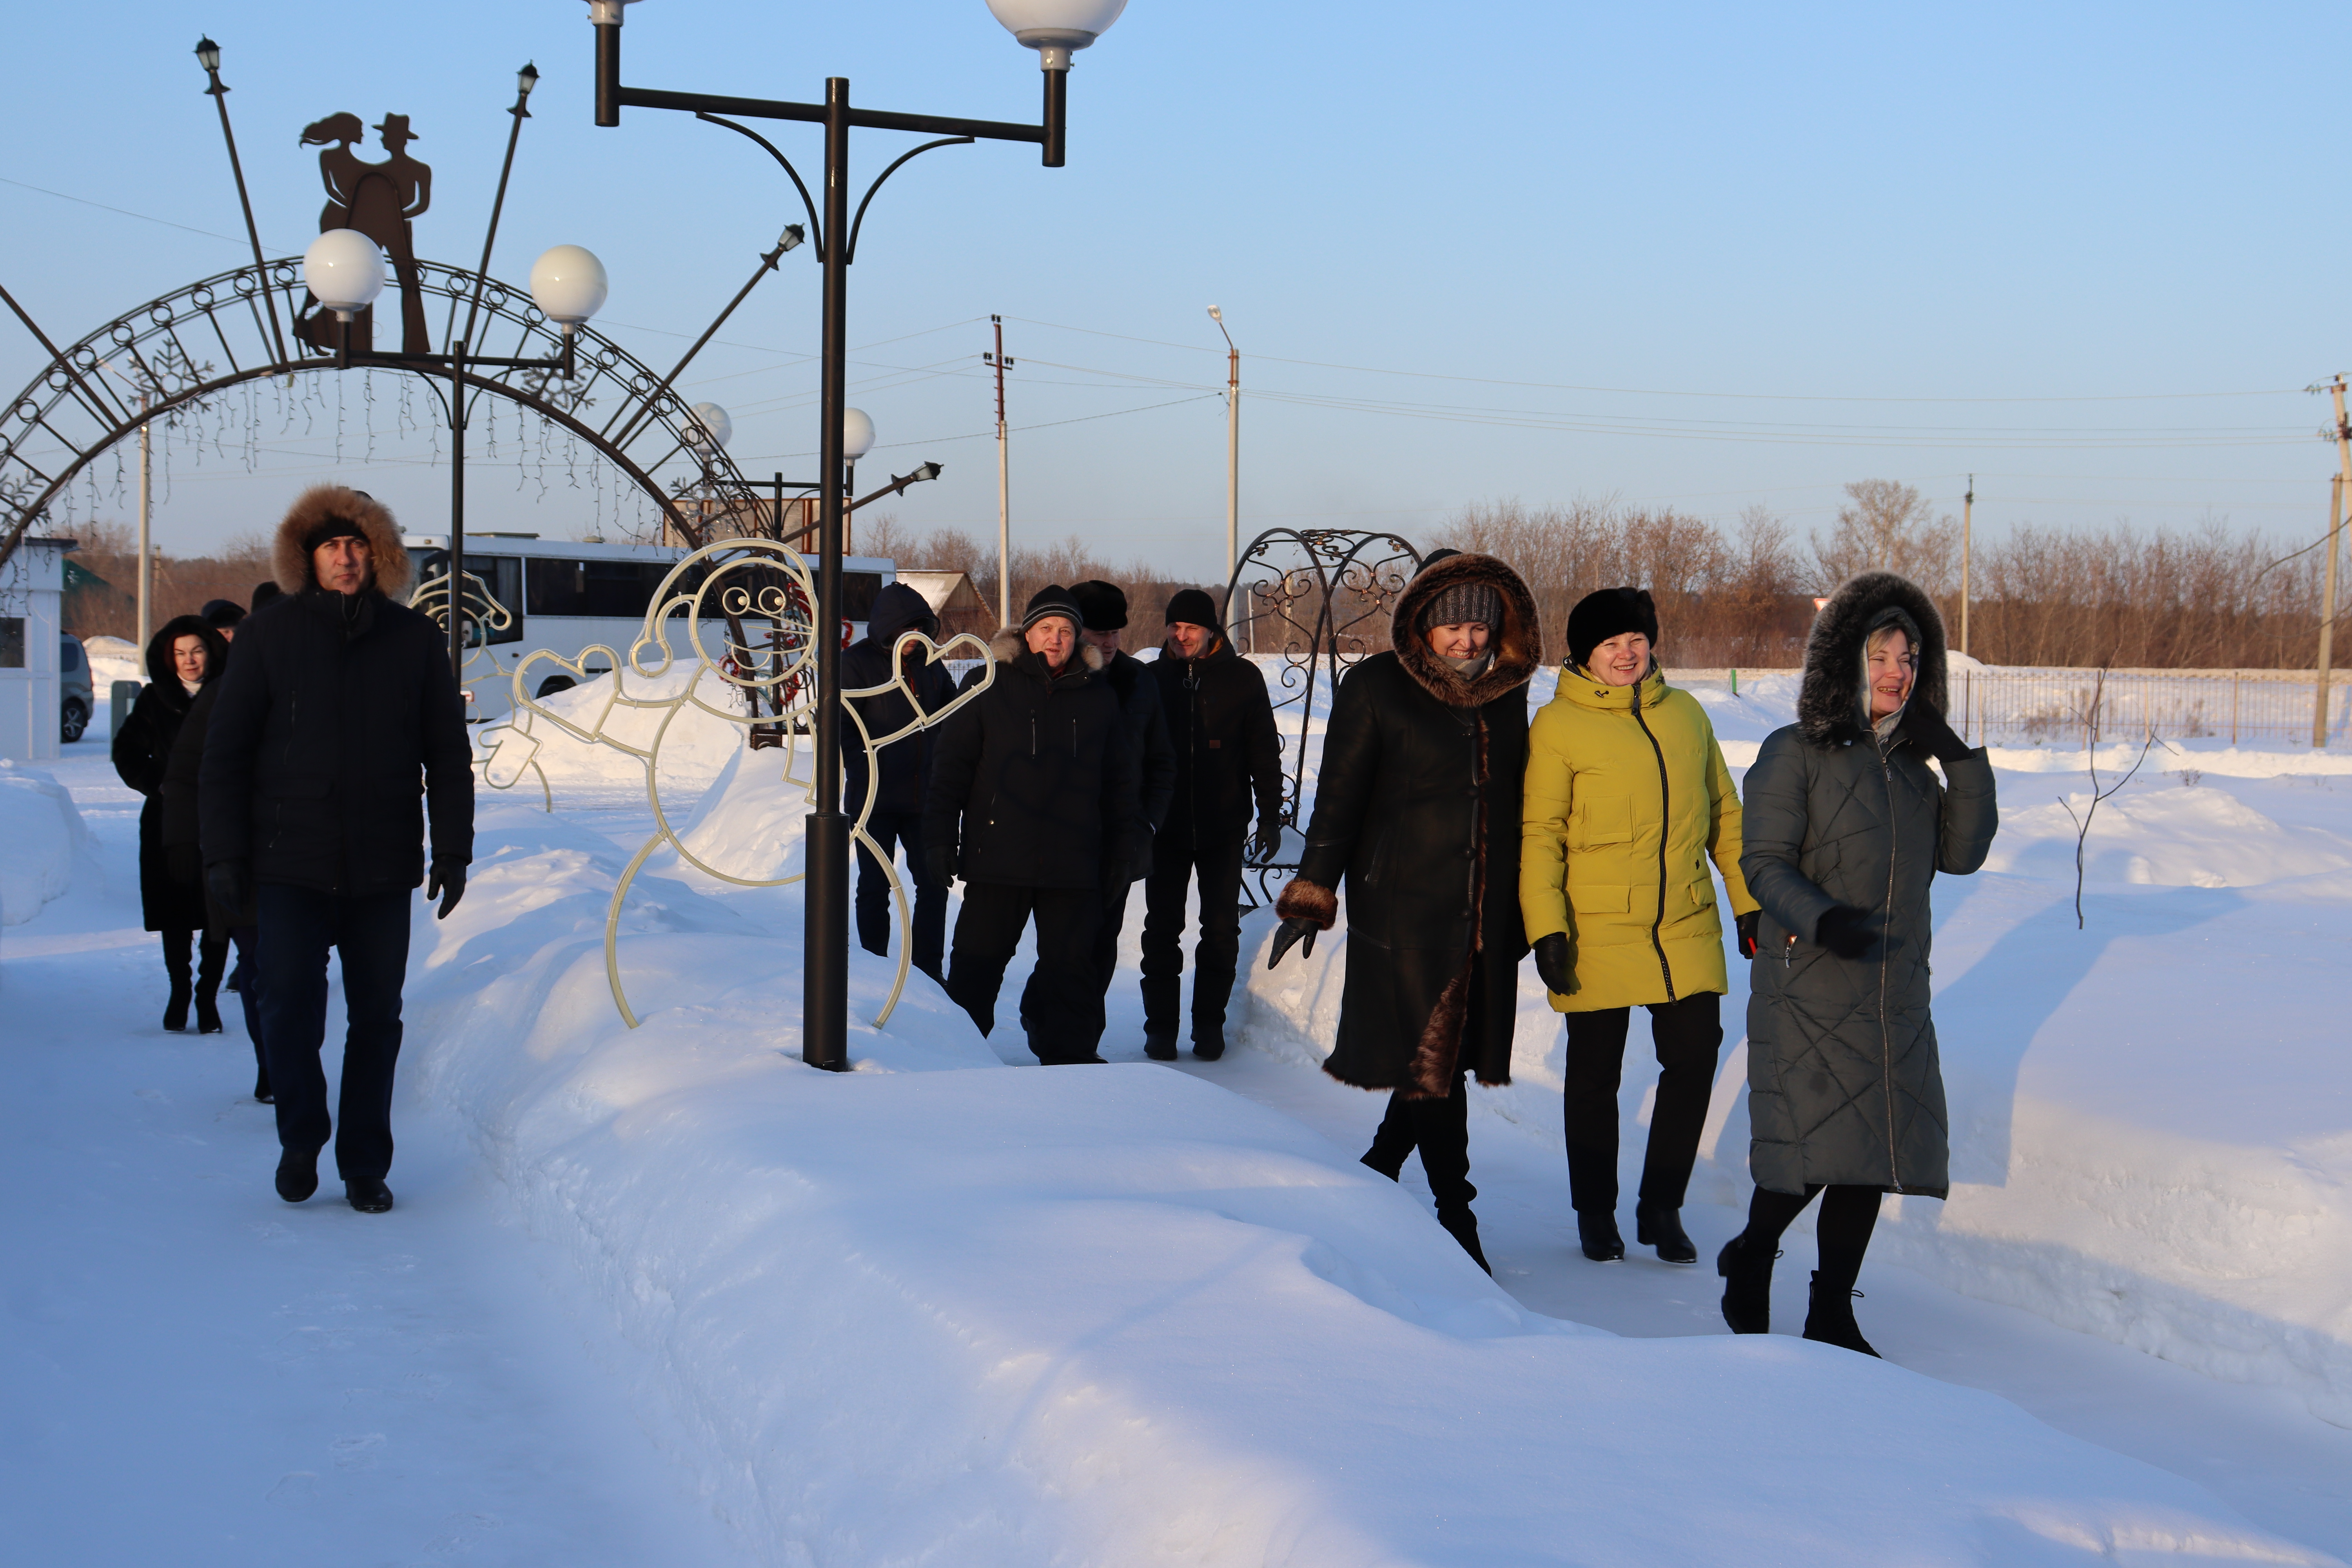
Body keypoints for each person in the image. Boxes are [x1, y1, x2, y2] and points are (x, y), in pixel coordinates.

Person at [1719, 570, 1997, 1354]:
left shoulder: (1913, 768)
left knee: (1869, 1155)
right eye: (1881, 655)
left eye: (1910, 659)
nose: (1897, 672)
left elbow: (1964, 856)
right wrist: (1823, 917)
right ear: (1845, 663)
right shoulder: (1793, 752)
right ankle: (1752, 1259)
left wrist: (1959, 763)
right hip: (1811, 977)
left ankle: (1831, 1309)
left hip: (1894, 984)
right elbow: (1763, 862)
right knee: (1808, 1154)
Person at [201, 485, 473, 1214]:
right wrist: (222, 854)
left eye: (357, 545)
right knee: (287, 999)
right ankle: (301, 1134)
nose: (346, 558)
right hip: (289, 858)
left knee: (377, 1017)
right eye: (331, 546)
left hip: (383, 863)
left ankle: (363, 1162)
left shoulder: (412, 640)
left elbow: (447, 753)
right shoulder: (268, 636)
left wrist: (453, 848)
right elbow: (225, 754)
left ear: (377, 553)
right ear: (306, 557)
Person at [1267, 551, 1541, 1272]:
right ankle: (1458, 1217)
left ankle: (1380, 1166)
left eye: (1479, 627)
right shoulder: (1378, 686)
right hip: (1404, 906)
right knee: (1433, 1063)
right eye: (1452, 625)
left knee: (1440, 1054)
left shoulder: (1508, 695)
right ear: (1423, 621)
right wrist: (1311, 893)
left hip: (1484, 910)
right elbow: (1340, 797)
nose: (1467, 641)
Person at [1521, 587, 1759, 1265]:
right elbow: (1539, 834)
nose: (1626, 655)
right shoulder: (1558, 726)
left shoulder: (1686, 715)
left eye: (1635, 640)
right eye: (1609, 645)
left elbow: (1725, 814)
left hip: (1682, 918)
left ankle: (1662, 1206)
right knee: (1595, 1075)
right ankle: (1595, 1211)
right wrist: (1547, 929)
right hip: (1593, 925)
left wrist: (1747, 902)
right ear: (1584, 654)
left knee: (1694, 1056)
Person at [924, 585, 1139, 1065]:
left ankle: (1071, 1064)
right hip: (999, 856)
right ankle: (955, 1059)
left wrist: (1122, 853)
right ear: (1026, 633)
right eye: (1046, 629)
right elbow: (950, 769)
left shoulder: (1099, 698)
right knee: (976, 966)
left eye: (1066, 631)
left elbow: (1120, 786)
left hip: (1073, 864)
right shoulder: (985, 684)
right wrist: (938, 837)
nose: (1056, 640)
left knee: (1072, 972)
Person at [1018, 580, 1175, 1040]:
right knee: (1066, 945)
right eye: (1097, 633)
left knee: (1102, 943)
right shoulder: (1056, 678)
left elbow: (1162, 761)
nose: (1107, 643)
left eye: (1115, 634)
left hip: (1120, 838)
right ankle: (1050, 1022)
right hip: (1065, 836)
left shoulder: (1139, 680)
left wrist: (1147, 823)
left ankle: (1081, 1041)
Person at [1142, 587, 1281, 1062]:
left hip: (1224, 825)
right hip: (1164, 829)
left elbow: (1264, 749)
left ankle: (1209, 1026)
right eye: (1176, 627)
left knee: (1220, 929)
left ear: (1211, 631)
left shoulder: (1243, 678)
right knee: (1161, 928)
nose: (1182, 636)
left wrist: (1270, 814)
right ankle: (1160, 1028)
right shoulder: (1151, 679)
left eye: (1192, 629)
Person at [163, 592, 270, 1099]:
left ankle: (289, 1055)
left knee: (291, 969)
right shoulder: (222, 695)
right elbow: (186, 778)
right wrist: (186, 843)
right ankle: (272, 1064)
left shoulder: (317, 690)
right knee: (256, 965)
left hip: (304, 855)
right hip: (238, 855)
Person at [112, 615, 229, 1032]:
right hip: (167, 821)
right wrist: (157, 785)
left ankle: (207, 995)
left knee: (219, 910)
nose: (189, 661)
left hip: (220, 818)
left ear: (211, 651)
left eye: (196, 650)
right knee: (175, 910)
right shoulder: (154, 700)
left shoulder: (232, 694)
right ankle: (180, 990)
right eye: (180, 653)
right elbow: (125, 751)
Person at [839, 581, 959, 980]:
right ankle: (874, 968)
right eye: (905, 628)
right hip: (873, 797)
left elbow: (950, 715)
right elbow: (842, 726)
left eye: (921, 627)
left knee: (933, 884)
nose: (914, 637)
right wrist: (865, 769)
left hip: (923, 798)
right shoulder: (855, 664)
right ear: (886, 627)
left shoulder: (932, 665)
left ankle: (928, 971)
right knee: (874, 886)